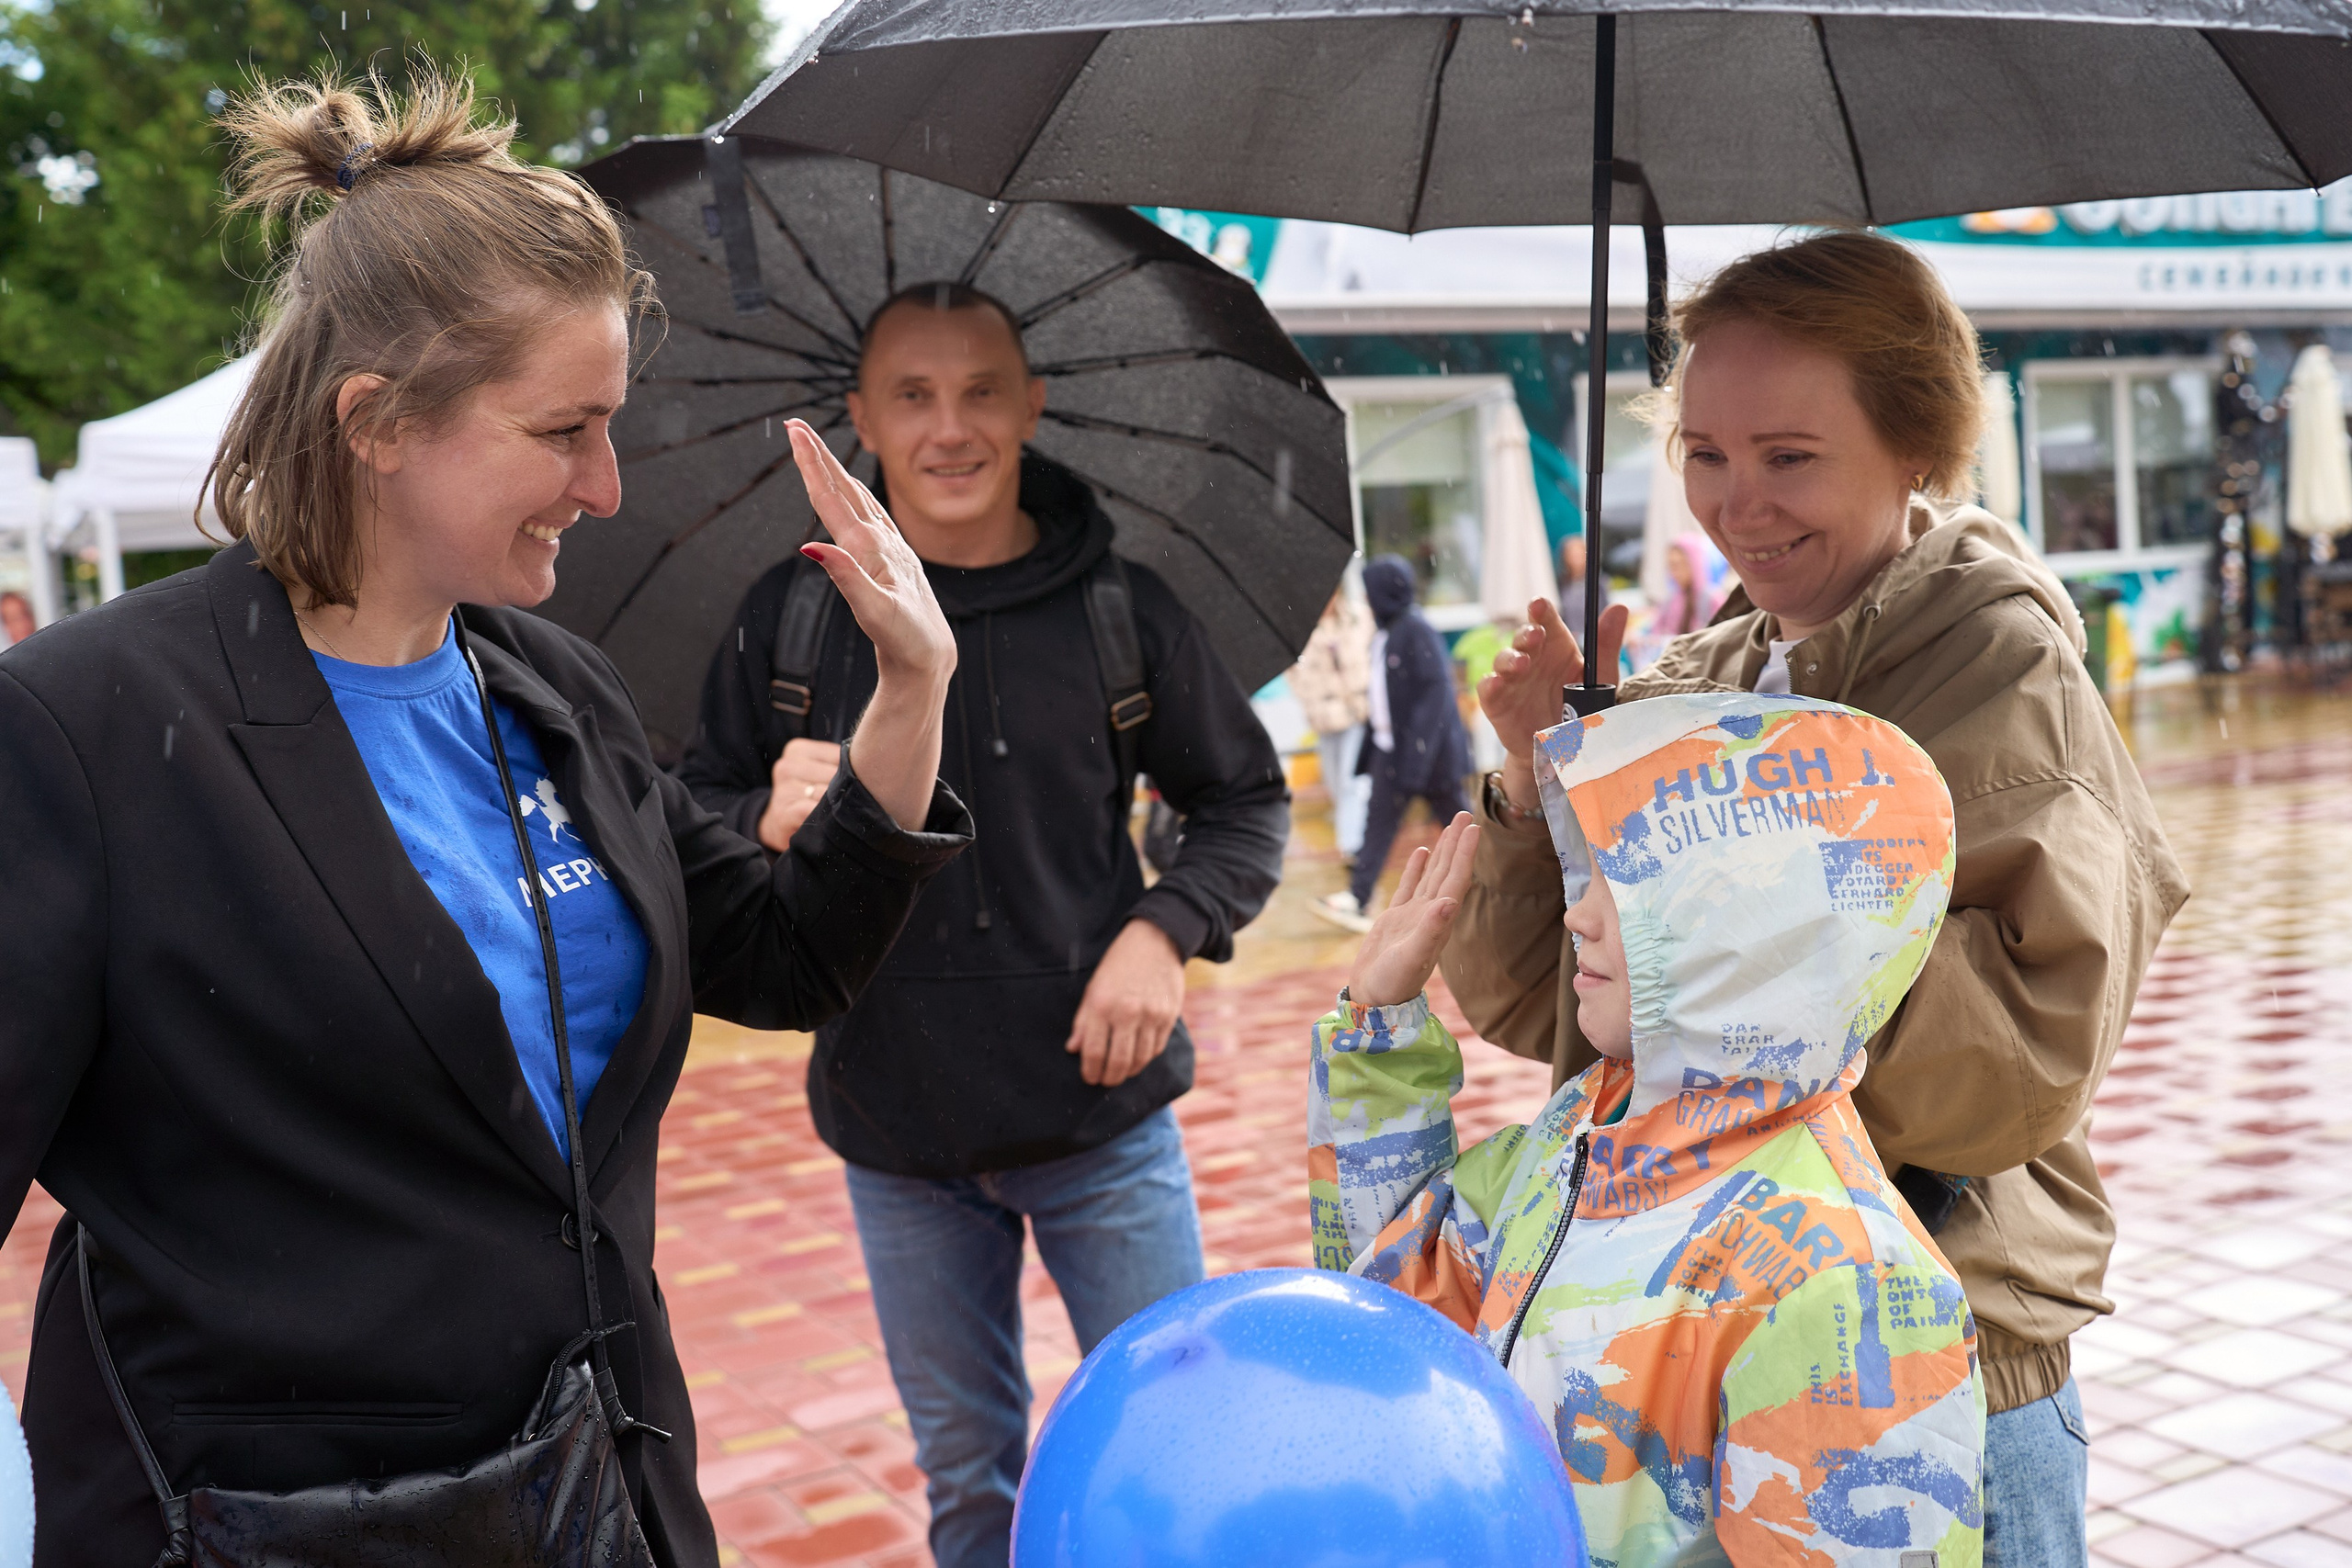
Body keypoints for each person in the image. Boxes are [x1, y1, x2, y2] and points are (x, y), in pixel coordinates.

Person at [0, 70, 969, 1568]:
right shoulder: (87, 727)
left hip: (603, 1490)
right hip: (277, 1527)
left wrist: (915, 687)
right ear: (379, 422)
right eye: (562, 430)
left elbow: (787, 959)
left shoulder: (552, 687)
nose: (605, 483)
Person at [1447, 228, 2188, 1567]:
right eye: (1707, 454)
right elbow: (1525, 1003)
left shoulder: (1997, 669)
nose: (1741, 503)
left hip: (1936, 1354)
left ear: (1916, 448)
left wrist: (1710, 954)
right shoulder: (1696, 678)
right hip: (1700, 1349)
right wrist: (1543, 772)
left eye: (1790, 456)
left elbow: (2030, 1055)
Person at [677, 283, 1287, 1568]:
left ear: (1031, 406)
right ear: (862, 418)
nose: (948, 427)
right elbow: (685, 808)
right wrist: (758, 813)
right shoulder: (789, 616)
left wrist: (1162, 928)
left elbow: (1246, 801)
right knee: (971, 1483)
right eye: (912, 394)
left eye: (978, 391)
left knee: (1175, 1454)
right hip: (894, 1127)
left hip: (1101, 1116)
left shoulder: (1125, 609)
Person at [1312, 696, 1984, 1566]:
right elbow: (1394, 1307)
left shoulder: (1849, 1283)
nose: (1575, 915)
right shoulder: (1587, 1134)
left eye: (1624, 888)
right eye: (1581, 874)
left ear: (1746, 927)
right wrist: (1378, 1029)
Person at [1313, 555, 1470, 933]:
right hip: (1390, 751)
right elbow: (1384, 695)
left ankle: (1495, 883)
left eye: (1369, 593)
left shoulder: (1415, 630)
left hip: (1428, 758)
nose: (1365, 600)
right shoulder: (1384, 635)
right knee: (1377, 824)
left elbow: (1435, 697)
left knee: (1459, 826)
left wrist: (1416, 757)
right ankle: (1358, 896)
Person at [1286, 585, 1373, 863]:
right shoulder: (1302, 626)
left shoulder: (1357, 618)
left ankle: (1351, 845)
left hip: (1353, 713)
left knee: (1350, 781)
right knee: (1335, 780)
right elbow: (1295, 672)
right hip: (1323, 718)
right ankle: (1354, 834)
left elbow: (1364, 658)